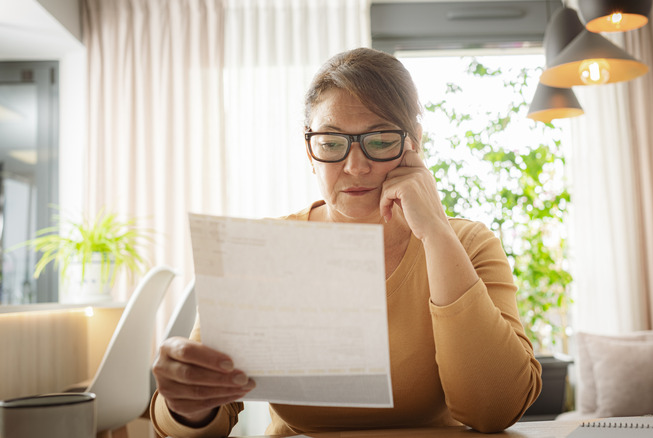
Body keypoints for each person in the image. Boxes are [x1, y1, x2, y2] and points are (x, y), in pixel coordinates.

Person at [150, 47, 542, 437]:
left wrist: (436, 234)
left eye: (380, 139)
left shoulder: (469, 244)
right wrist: (188, 405)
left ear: (414, 142)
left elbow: (495, 409)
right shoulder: (263, 250)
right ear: (310, 149)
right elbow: (200, 415)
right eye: (332, 143)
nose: (355, 166)